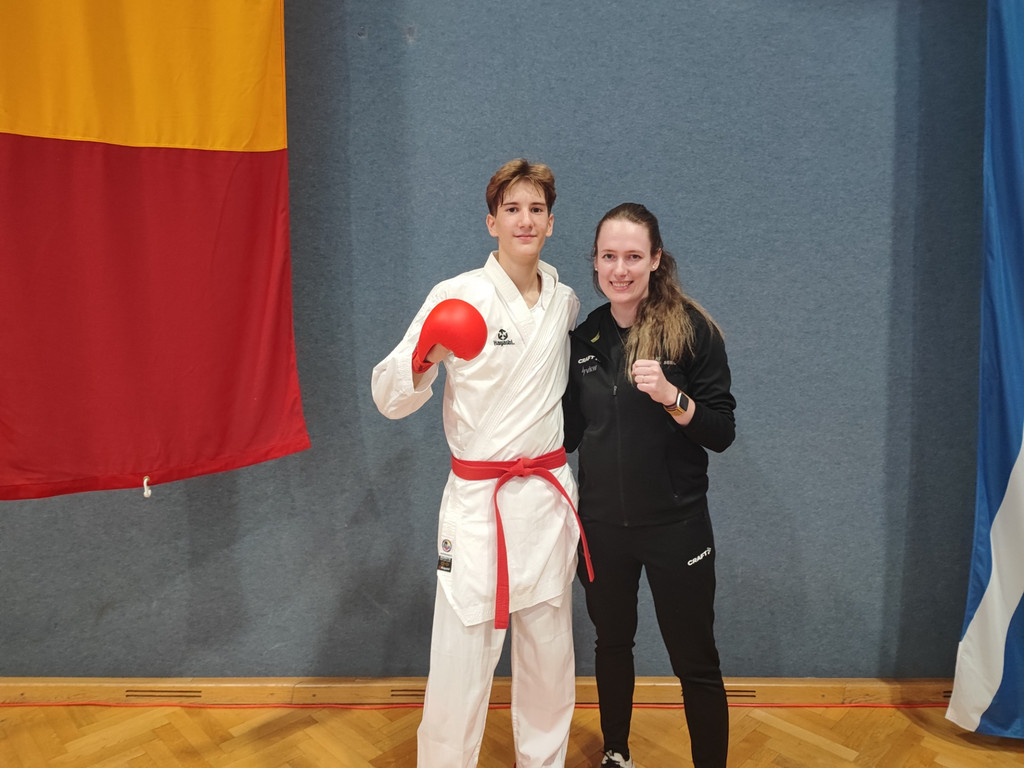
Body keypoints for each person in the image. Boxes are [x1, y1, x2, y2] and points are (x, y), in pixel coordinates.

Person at [372, 159, 586, 767]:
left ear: (551, 222)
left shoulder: (565, 302)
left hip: (546, 497)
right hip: (478, 503)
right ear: (492, 221)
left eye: (536, 209)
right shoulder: (456, 295)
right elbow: (387, 397)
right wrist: (425, 355)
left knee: (549, 654)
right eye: (512, 209)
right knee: (460, 656)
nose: (525, 220)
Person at [563, 203, 736, 768]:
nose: (621, 269)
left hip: (676, 527)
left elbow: (722, 432)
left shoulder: (692, 331)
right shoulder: (584, 337)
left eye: (634, 256)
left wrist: (672, 397)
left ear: (656, 259)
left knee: (695, 662)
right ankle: (616, 753)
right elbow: (567, 432)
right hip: (602, 528)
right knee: (611, 644)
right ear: (595, 262)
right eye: (609, 257)